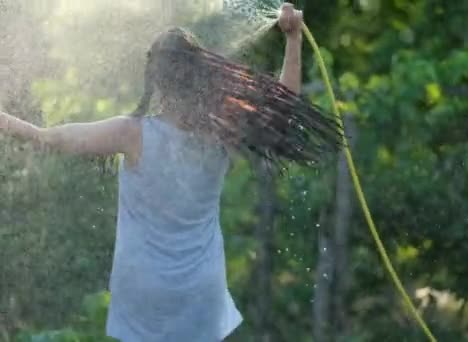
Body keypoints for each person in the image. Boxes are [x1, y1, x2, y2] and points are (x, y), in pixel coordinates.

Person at [0, 3, 306, 341]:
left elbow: (48, 139)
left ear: (157, 79)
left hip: (143, 295)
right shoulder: (222, 133)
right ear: (201, 73)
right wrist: (293, 40)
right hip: (200, 295)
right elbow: (283, 111)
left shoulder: (131, 134)